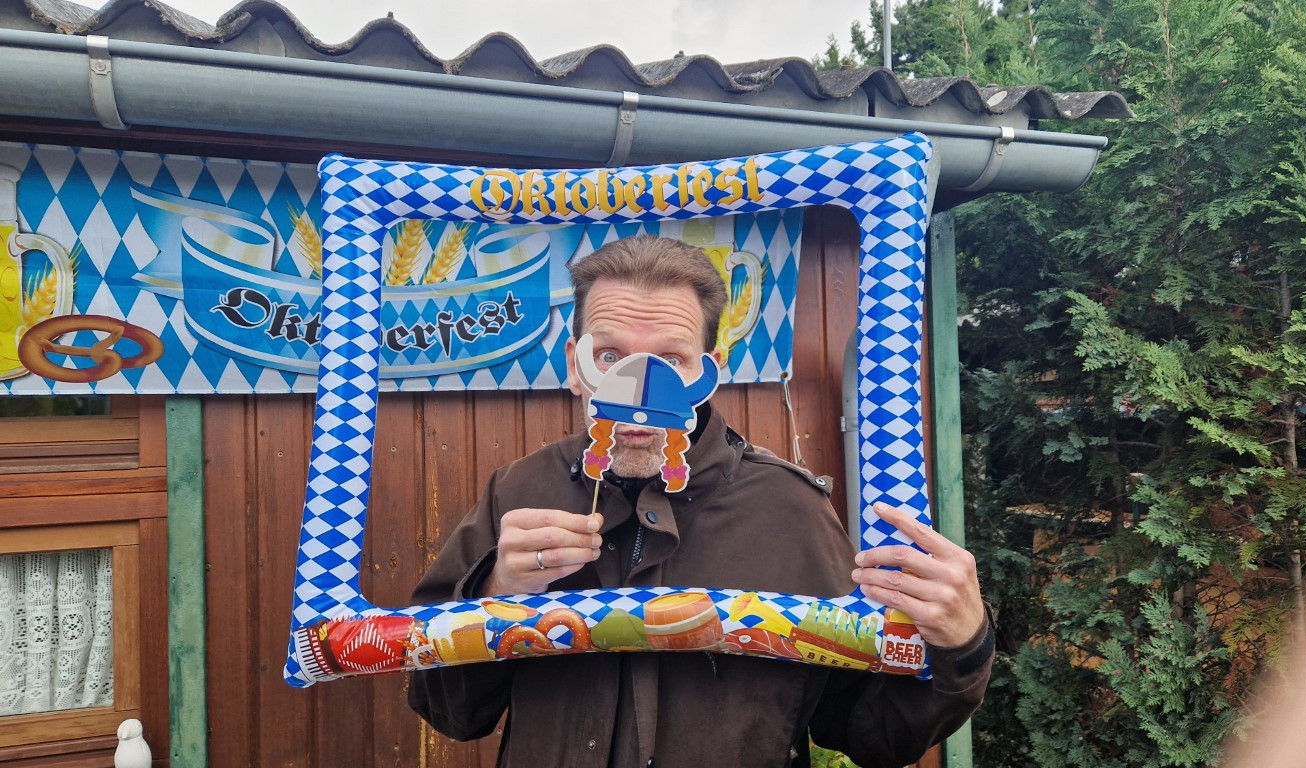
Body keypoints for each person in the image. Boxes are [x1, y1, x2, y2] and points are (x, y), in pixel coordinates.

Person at [409, 235, 993, 768]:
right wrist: (492, 595)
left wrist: (963, 644)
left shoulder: (788, 511)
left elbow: (872, 733)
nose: (638, 385)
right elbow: (450, 713)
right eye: (609, 356)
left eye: (670, 360)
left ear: (708, 371)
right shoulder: (519, 492)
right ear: (574, 365)